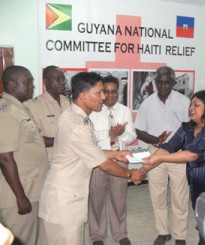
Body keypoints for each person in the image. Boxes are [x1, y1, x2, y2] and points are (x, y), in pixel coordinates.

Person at [38, 72, 143, 245]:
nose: (103, 97)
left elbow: (90, 149)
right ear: (83, 96)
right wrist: (131, 174)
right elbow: (105, 165)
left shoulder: (76, 117)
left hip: (65, 196)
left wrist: (115, 153)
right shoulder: (77, 124)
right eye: (99, 93)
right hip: (64, 202)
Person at [142, 90, 205, 245]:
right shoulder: (187, 128)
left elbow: (192, 155)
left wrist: (158, 157)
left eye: (196, 104)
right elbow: (170, 145)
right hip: (197, 177)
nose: (191, 108)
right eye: (191, 104)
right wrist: (146, 167)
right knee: (202, 216)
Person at [134, 66, 190, 245]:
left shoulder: (183, 101)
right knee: (157, 195)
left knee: (179, 196)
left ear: (174, 82)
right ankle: (163, 232)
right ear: (155, 82)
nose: (163, 85)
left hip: (177, 154)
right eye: (159, 82)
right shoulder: (147, 103)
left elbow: (190, 129)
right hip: (154, 152)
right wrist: (155, 139)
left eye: (167, 82)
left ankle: (180, 235)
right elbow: (139, 130)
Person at [0, 65, 48, 244]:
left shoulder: (20, 108)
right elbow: (5, 159)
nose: (32, 86)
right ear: (12, 84)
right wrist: (20, 197)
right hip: (19, 193)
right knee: (20, 239)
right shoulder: (6, 113)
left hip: (32, 186)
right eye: (27, 82)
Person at [88, 75, 137, 245]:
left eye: (113, 92)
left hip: (120, 158)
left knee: (119, 200)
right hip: (98, 161)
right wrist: (109, 134)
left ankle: (120, 233)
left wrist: (122, 133)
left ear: (118, 92)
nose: (110, 96)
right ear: (101, 92)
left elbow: (131, 138)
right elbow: (88, 138)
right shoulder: (92, 109)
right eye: (106, 92)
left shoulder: (124, 110)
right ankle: (97, 236)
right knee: (96, 200)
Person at [27, 65, 70, 162]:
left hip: (69, 160)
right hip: (49, 162)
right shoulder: (34, 105)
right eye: (58, 79)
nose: (62, 82)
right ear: (46, 81)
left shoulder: (67, 102)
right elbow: (34, 139)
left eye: (63, 79)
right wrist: (62, 140)